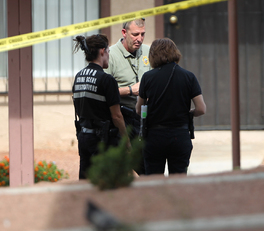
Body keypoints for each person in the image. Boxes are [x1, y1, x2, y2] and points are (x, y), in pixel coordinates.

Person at [136, 38, 206, 175]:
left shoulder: (147, 77)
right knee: (179, 180)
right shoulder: (189, 76)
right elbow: (201, 108)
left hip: (154, 136)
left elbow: (139, 109)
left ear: (153, 55)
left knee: (154, 180)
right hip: (180, 136)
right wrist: (188, 113)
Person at [72, 34, 128, 179]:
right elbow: (117, 116)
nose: (109, 55)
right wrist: (126, 141)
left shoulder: (79, 77)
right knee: (106, 183)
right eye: (108, 51)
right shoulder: (106, 79)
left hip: (84, 137)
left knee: (85, 182)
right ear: (102, 51)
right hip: (102, 142)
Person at [104, 18, 151, 173]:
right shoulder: (111, 55)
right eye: (135, 34)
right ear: (124, 33)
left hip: (146, 117)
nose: (140, 39)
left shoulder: (148, 51)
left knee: (148, 167)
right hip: (123, 117)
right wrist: (130, 90)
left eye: (143, 34)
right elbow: (103, 91)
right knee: (124, 167)